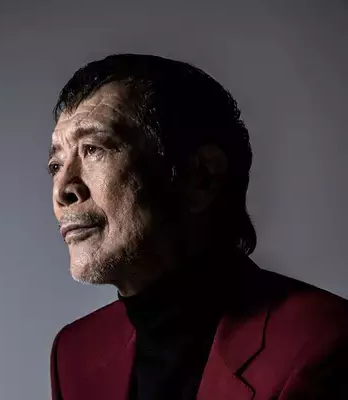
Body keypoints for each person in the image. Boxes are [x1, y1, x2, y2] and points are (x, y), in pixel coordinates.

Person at [48, 54, 348, 400]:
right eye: (55, 165)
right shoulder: (74, 352)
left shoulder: (322, 342)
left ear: (199, 176)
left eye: (93, 149)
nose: (62, 190)